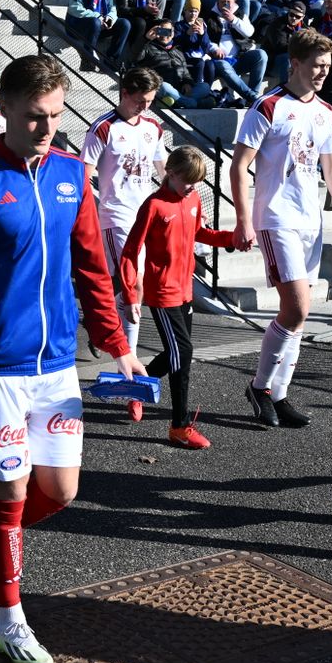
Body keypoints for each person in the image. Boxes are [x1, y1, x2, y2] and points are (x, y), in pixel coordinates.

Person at [0, 54, 141, 663]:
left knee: (62, 489)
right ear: (6, 109)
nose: (47, 127)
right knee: (12, 490)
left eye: (56, 116)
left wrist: (119, 345)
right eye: (35, 116)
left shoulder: (73, 175)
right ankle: (9, 617)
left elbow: (91, 267)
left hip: (56, 366)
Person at [232, 31, 332, 428]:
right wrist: (243, 219)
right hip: (277, 217)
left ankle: (280, 393)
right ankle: (259, 387)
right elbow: (240, 165)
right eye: (317, 64)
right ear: (296, 63)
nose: (324, 72)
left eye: (328, 65)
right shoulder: (269, 106)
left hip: (310, 219)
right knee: (297, 308)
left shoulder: (325, 110)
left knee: (299, 317)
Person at [119, 145, 238, 449]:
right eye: (187, 181)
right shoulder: (154, 205)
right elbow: (131, 251)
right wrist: (131, 294)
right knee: (182, 354)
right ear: (170, 173)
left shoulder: (193, 198)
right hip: (162, 294)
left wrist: (230, 239)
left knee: (177, 353)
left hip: (185, 290)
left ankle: (138, 385)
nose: (192, 187)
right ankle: (179, 426)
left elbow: (200, 233)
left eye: (196, 182)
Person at [81, 67, 170, 417]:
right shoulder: (104, 128)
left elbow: (162, 168)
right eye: (139, 101)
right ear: (124, 93)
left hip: (144, 213)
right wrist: (92, 204)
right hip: (114, 215)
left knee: (130, 291)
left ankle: (98, 323)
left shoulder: (153, 127)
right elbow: (84, 170)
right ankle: (132, 381)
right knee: (130, 289)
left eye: (149, 102)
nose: (144, 108)